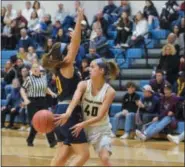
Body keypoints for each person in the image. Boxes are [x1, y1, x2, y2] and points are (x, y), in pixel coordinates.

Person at [42, 8, 90, 166]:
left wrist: (73, 40)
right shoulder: (66, 66)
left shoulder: (61, 68)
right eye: (66, 48)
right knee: (83, 155)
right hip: (68, 114)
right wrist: (79, 21)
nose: (69, 48)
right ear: (63, 56)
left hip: (60, 112)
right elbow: (75, 45)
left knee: (62, 157)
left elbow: (74, 46)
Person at [55, 58, 119, 166]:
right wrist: (67, 113)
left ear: (101, 71)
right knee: (63, 156)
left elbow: (99, 116)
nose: (89, 68)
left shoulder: (110, 91)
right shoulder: (83, 84)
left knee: (105, 158)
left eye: (93, 66)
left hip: (100, 129)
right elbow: (74, 100)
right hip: (83, 128)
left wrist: (83, 124)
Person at [20, 63, 57, 148]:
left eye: (37, 67)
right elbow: (22, 89)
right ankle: (30, 139)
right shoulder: (29, 79)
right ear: (32, 70)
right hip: (32, 102)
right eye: (34, 67)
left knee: (47, 120)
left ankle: (52, 141)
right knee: (35, 122)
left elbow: (45, 88)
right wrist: (25, 99)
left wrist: (51, 93)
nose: (36, 68)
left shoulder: (43, 77)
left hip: (43, 101)